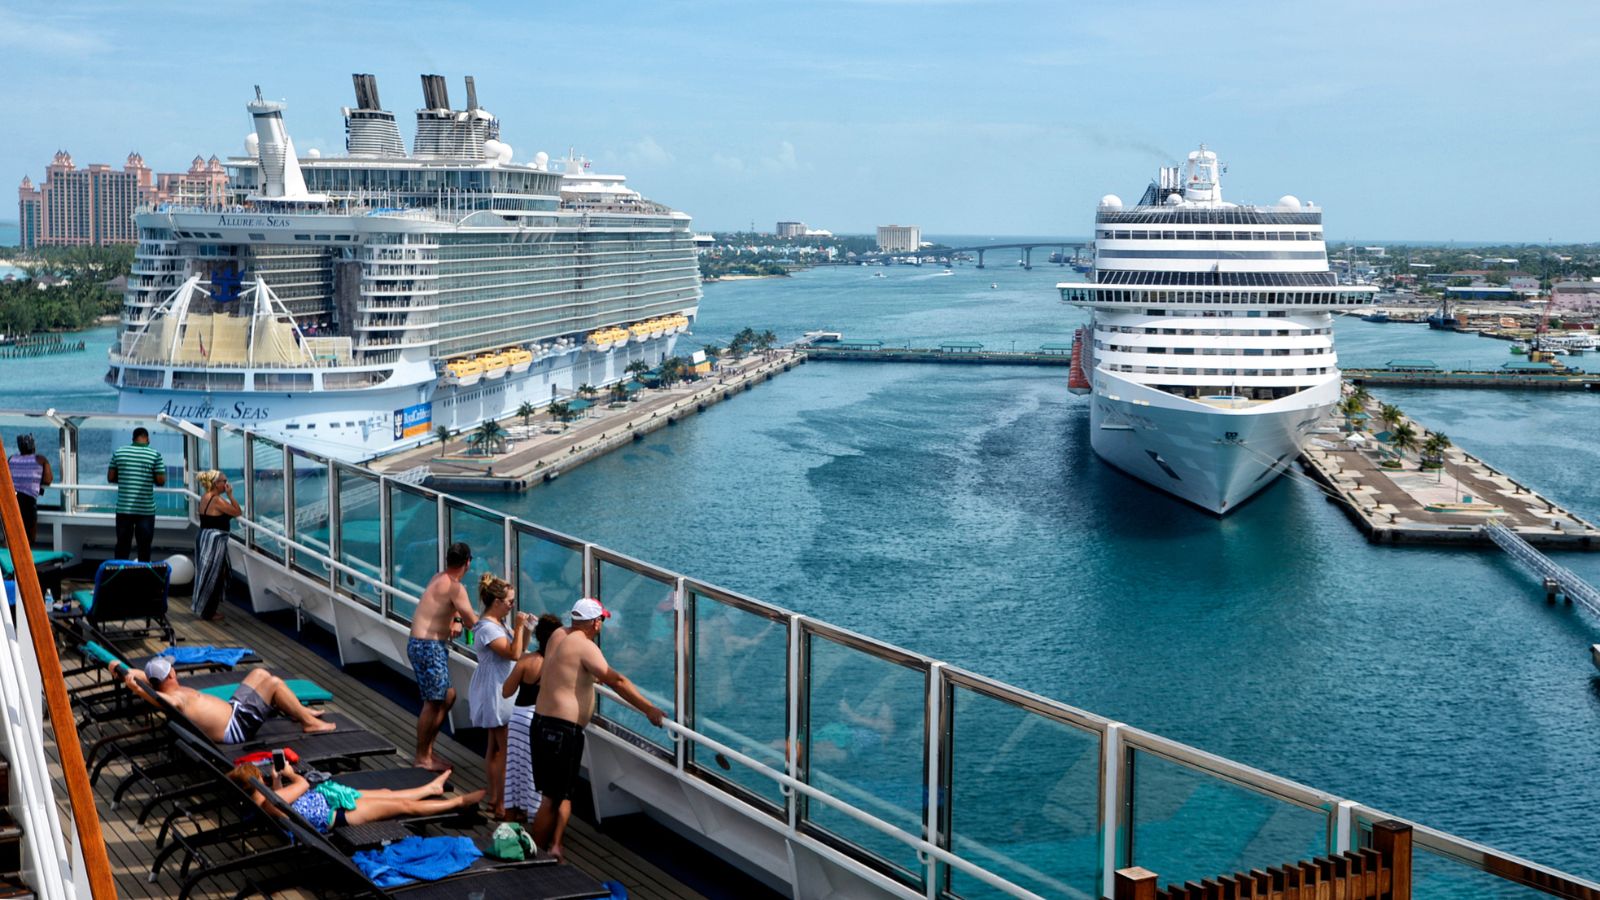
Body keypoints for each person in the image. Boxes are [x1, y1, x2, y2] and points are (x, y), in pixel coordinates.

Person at [529, 598, 665, 862]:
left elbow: (565, 671)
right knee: (551, 799)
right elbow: (617, 680)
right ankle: (533, 854)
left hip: (541, 723)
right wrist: (649, 709)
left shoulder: (559, 634)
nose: (601, 624)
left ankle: (551, 848)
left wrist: (587, 676)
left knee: (556, 794)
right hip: (561, 730)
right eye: (601, 619)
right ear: (595, 622)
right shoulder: (584, 645)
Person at [111, 657, 336, 743]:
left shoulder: (161, 685)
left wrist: (120, 669)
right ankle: (309, 722)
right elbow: (160, 700)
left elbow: (144, 677)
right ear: (171, 674)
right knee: (274, 683)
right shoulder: (174, 697)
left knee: (259, 674)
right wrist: (138, 691)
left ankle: (298, 712)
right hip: (237, 726)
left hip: (234, 709)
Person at [227, 759, 482, 834]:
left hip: (329, 803)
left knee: (385, 794)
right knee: (404, 806)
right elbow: (302, 784)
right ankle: (457, 802)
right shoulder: (269, 802)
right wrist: (290, 774)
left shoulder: (260, 800)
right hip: (336, 815)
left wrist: (275, 780)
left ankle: (430, 790)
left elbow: (284, 799)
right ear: (255, 784)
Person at [407, 542, 479, 772]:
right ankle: (422, 757)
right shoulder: (456, 588)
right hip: (428, 647)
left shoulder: (439, 578)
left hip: (422, 645)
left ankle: (427, 752)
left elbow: (454, 608)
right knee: (433, 702)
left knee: (447, 697)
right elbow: (473, 621)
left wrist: (455, 618)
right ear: (467, 562)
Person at [466, 574, 530, 819]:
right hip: (497, 689)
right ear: (496, 602)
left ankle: (495, 799)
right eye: (509, 601)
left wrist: (527, 630)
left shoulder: (497, 624)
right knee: (504, 750)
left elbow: (520, 649)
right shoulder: (488, 628)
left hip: (495, 686)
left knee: (494, 748)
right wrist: (520, 626)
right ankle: (503, 803)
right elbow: (513, 655)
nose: (512, 605)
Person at [501, 613, 562, 822]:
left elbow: (506, 692)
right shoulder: (559, 665)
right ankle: (533, 815)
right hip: (540, 721)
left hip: (518, 719)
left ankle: (510, 816)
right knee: (535, 772)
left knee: (514, 769)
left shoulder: (527, 661)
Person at [190, 470, 241, 621]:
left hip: (204, 537)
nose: (226, 484)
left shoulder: (205, 497)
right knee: (214, 575)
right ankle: (208, 612)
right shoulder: (217, 500)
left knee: (206, 573)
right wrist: (231, 495)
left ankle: (205, 608)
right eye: (224, 481)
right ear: (215, 484)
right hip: (214, 541)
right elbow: (237, 511)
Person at [108, 426, 165, 562]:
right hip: (145, 510)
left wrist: (124, 478)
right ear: (147, 438)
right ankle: (143, 578)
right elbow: (161, 481)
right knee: (144, 547)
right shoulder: (154, 455)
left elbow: (110, 478)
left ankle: (118, 577)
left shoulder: (119, 452)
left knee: (122, 546)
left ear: (133, 438)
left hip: (124, 509)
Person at [6, 434, 52, 547]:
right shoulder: (40, 459)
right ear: (33, 446)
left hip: (12, 499)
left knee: (12, 531)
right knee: (29, 532)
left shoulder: (12, 459)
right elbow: (48, 480)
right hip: (28, 499)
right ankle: (27, 557)